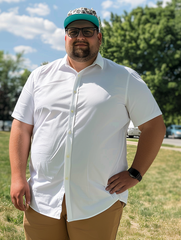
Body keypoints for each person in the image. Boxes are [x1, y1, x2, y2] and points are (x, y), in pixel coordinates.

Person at [9, 7, 166, 240]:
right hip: (42, 198)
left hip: (97, 201)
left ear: (99, 37)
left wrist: (135, 173)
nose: (80, 37)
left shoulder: (125, 78)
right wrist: (17, 177)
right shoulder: (40, 77)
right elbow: (21, 127)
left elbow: (155, 127)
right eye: (73, 31)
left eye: (88, 31)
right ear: (65, 38)